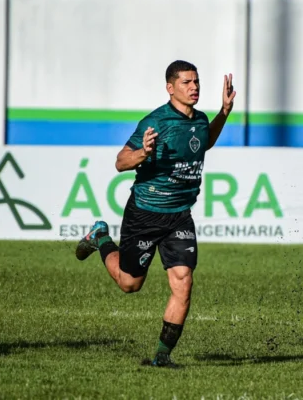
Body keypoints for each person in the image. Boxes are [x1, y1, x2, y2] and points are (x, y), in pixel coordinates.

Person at [75, 60, 236, 367]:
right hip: (146, 213)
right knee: (129, 284)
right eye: (187, 83)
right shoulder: (157, 122)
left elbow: (205, 142)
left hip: (179, 216)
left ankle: (162, 356)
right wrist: (144, 153)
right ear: (170, 88)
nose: (194, 87)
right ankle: (101, 238)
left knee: (183, 281)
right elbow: (121, 162)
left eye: (197, 82)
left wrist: (224, 113)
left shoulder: (200, 120)